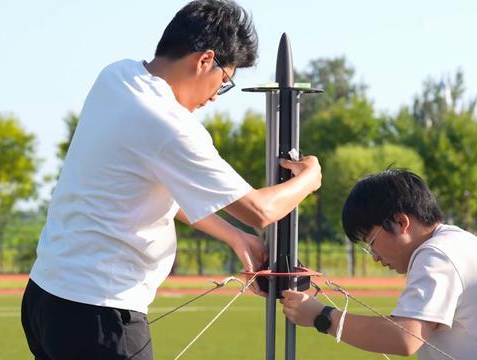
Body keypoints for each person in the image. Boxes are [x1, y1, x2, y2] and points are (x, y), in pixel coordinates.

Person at [20, 1, 322, 359]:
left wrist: (234, 236)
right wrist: (311, 177)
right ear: (204, 60)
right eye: (224, 82)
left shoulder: (116, 76)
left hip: (45, 296)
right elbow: (259, 210)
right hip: (100, 315)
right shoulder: (168, 124)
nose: (214, 98)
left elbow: (157, 190)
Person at [281, 169, 477, 359]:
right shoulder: (457, 245)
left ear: (401, 222)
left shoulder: (437, 254)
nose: (376, 256)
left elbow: (405, 339)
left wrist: (321, 317)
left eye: (372, 242)